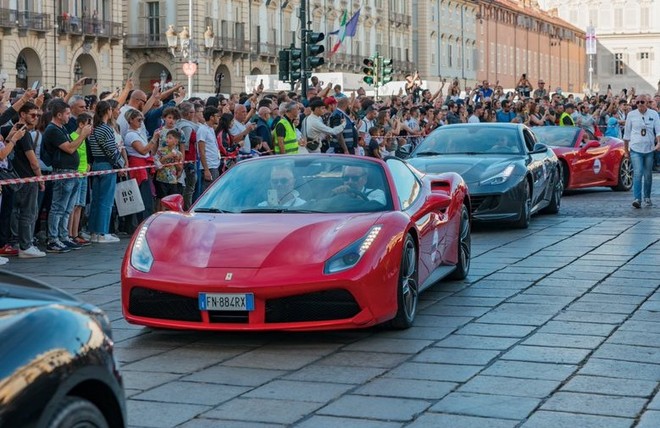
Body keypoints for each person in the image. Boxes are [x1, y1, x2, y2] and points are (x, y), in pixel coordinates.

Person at [43, 99, 91, 253]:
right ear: (58, 115)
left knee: (68, 208)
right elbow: (70, 148)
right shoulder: (53, 130)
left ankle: (64, 236)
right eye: (67, 114)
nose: (70, 117)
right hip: (63, 172)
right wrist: (82, 135)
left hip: (72, 171)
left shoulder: (62, 128)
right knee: (58, 207)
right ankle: (53, 239)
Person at [6, 105, 46, 258]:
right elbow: (33, 161)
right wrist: (40, 178)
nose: (36, 118)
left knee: (18, 212)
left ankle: (19, 242)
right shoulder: (24, 134)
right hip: (27, 178)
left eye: (37, 115)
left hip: (16, 177)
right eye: (33, 115)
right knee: (28, 212)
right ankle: (26, 245)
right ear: (22, 114)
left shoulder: (15, 130)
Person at [87, 101, 124, 243]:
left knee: (96, 200)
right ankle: (103, 232)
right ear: (108, 111)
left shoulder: (94, 128)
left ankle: (94, 232)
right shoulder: (106, 129)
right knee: (106, 201)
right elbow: (111, 150)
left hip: (96, 164)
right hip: (107, 165)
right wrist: (119, 162)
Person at [624, 95, 660, 208]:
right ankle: (637, 199)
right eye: (638, 102)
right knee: (638, 173)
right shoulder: (631, 115)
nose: (639, 104)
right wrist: (626, 150)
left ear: (647, 103)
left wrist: (658, 143)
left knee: (648, 175)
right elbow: (626, 134)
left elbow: (658, 131)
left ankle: (647, 197)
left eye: (642, 102)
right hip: (635, 149)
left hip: (649, 149)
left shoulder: (654, 114)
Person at [124, 108, 158, 228]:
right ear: (131, 120)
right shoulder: (131, 135)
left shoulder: (138, 133)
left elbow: (148, 151)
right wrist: (154, 139)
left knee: (146, 197)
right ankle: (142, 224)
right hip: (138, 168)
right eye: (139, 120)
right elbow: (143, 151)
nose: (141, 122)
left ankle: (144, 223)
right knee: (143, 198)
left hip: (143, 166)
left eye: (142, 120)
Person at [68, 112, 92, 247]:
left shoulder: (85, 139)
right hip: (76, 174)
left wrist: (88, 165)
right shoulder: (73, 136)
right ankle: (69, 234)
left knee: (79, 205)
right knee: (73, 205)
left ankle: (75, 233)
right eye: (88, 125)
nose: (90, 128)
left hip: (84, 174)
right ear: (81, 124)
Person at [154, 129, 184, 210]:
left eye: (170, 138)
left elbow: (180, 168)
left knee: (172, 200)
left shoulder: (179, 153)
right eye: (167, 138)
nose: (167, 140)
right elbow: (156, 164)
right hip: (161, 179)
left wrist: (176, 161)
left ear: (176, 141)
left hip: (172, 180)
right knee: (161, 199)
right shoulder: (161, 151)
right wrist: (166, 157)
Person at [197, 106, 222, 191]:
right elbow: (201, 151)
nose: (218, 118)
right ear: (211, 117)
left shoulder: (210, 129)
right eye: (217, 116)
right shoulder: (202, 130)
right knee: (208, 192)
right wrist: (206, 170)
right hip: (209, 167)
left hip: (215, 165)